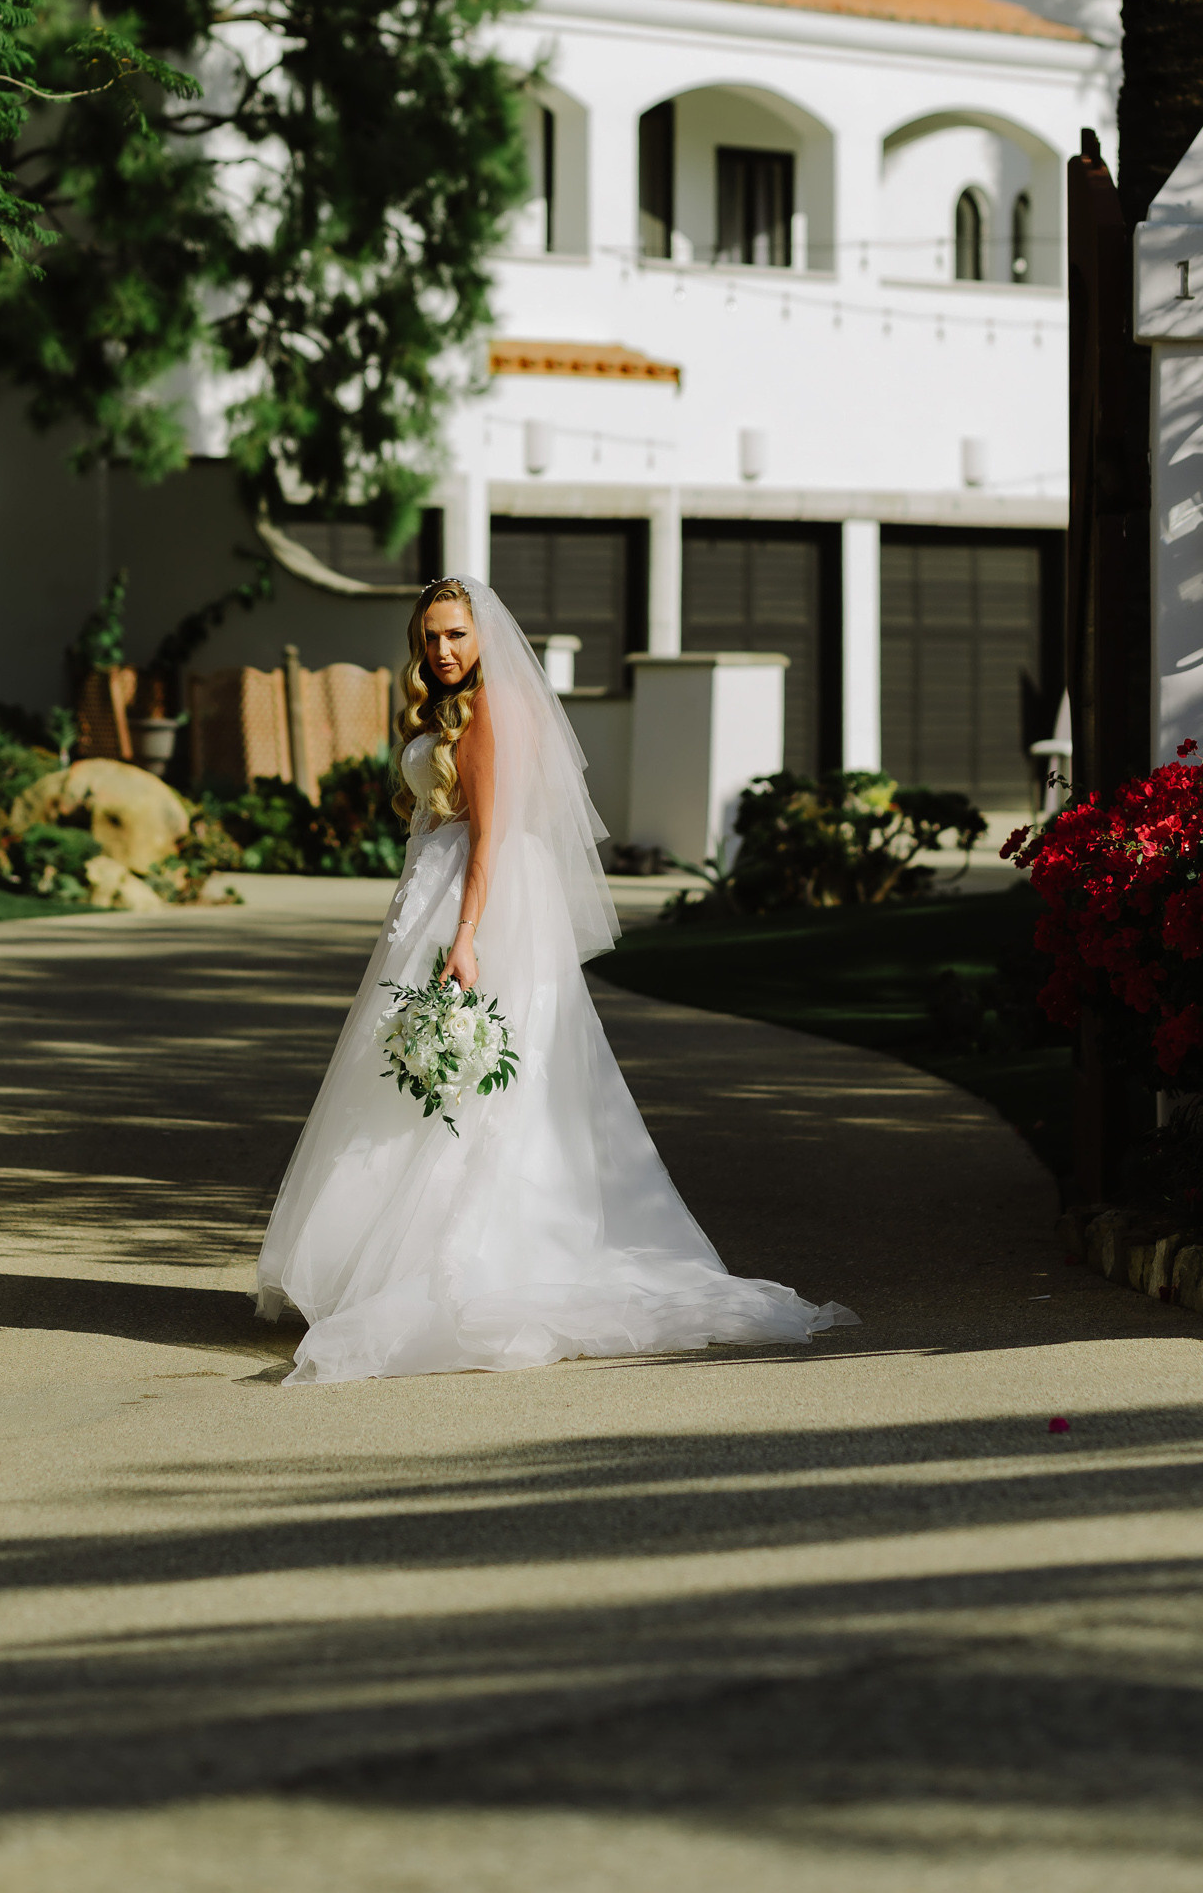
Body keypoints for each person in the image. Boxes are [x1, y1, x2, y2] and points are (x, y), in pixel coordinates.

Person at [256, 573, 854, 1384]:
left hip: (479, 906)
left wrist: (465, 937)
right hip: (436, 898)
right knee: (419, 1080)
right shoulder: (448, 708)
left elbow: (493, 838)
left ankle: (460, 1264)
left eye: (456, 635)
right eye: (430, 636)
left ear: (483, 638)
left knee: (482, 1082)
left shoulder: (494, 709)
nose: (441, 650)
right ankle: (386, 1262)